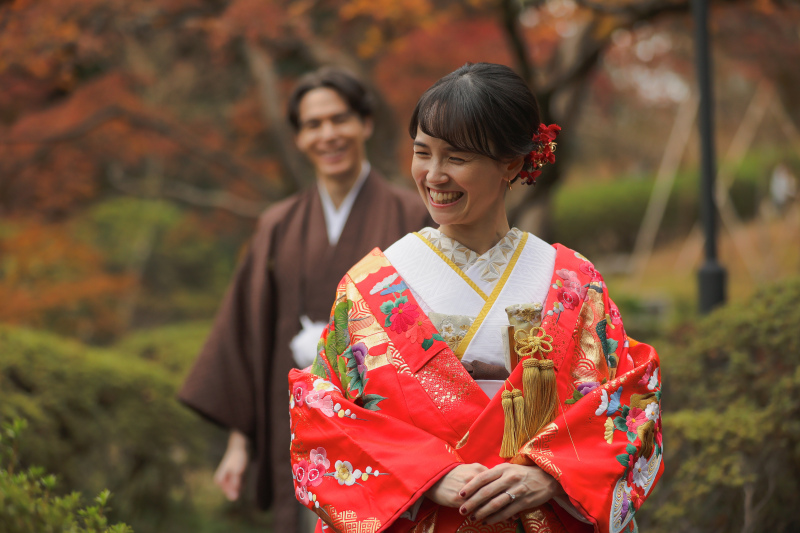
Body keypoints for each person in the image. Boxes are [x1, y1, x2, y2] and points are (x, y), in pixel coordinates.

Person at [288, 62, 663, 532]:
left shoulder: (573, 281)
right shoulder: (370, 286)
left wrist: (551, 472)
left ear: (510, 162)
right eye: (422, 153)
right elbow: (321, 415)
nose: (433, 175)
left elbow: (630, 405)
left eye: (457, 158)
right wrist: (425, 474)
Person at [179, 66, 433, 532]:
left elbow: (432, 334)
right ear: (298, 137)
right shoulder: (277, 224)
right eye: (313, 125)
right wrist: (241, 443)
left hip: (384, 422)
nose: (328, 135)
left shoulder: (411, 212)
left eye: (339, 119)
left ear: (365, 124)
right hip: (294, 422)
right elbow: (250, 333)